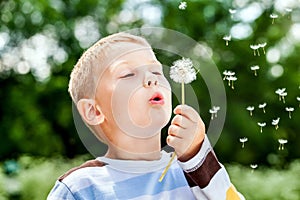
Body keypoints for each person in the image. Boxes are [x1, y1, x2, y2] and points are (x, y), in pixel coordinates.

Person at [47, 32, 244, 200]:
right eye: (127, 74)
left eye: (157, 71)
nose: (151, 79)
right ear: (94, 111)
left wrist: (197, 155)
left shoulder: (193, 171)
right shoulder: (80, 187)